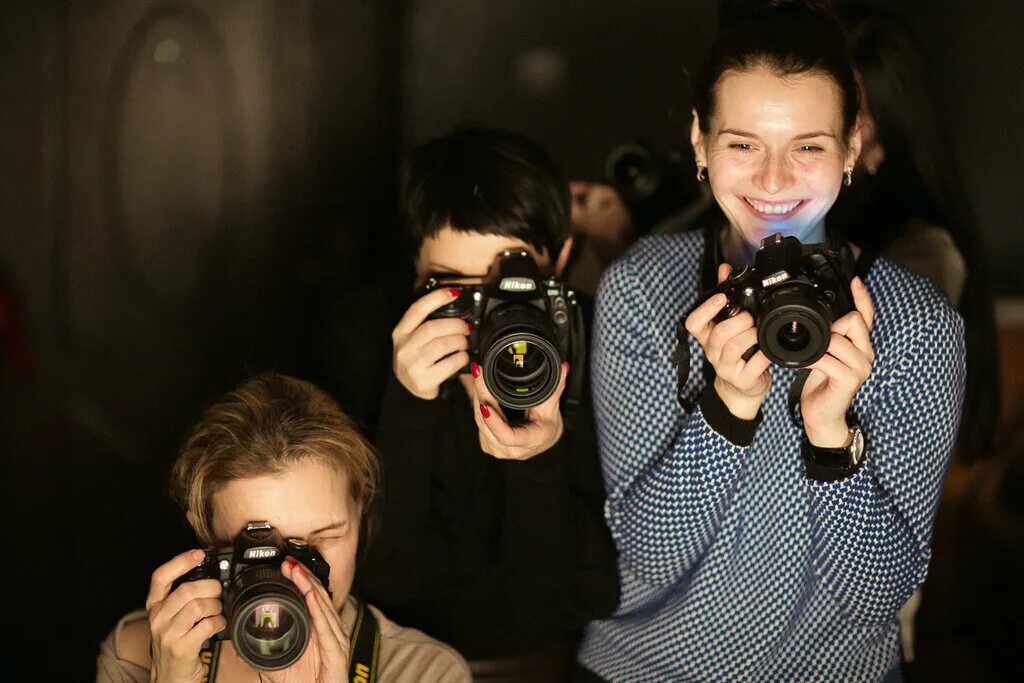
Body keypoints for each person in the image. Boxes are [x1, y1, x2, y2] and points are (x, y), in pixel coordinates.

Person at [575, 1, 965, 680]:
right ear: (700, 143)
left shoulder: (917, 323)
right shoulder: (643, 288)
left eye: (808, 146)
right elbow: (645, 555)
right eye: (743, 144)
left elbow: (877, 597)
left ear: (851, 148)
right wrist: (726, 408)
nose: (774, 180)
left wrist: (829, 434)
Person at [355, 126, 620, 681]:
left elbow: (560, 605)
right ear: (415, 272)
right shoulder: (363, 344)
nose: (483, 316)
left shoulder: (604, 344)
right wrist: (409, 405)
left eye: (507, 281)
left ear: (562, 258)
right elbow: (383, 586)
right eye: (451, 286)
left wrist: (536, 455)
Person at [96, 372, 471, 682]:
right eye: (260, 546)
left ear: (360, 511)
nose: (294, 574)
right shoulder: (136, 654)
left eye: (323, 538)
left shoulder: (426, 673)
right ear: (205, 534)